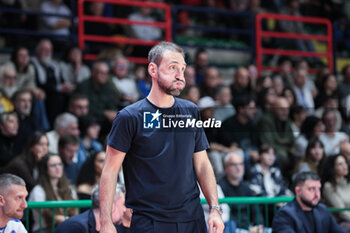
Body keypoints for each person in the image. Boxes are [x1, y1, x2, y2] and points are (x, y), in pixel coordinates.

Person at [99, 42, 224, 233]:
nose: (180, 75)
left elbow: (202, 164)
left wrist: (215, 209)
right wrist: (106, 221)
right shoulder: (129, 117)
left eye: (182, 69)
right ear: (153, 69)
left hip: (193, 218)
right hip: (150, 221)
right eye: (173, 67)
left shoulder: (191, 111)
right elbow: (109, 170)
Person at [272, 171, 346, 233]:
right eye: (312, 189)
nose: (317, 194)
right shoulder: (285, 214)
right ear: (298, 191)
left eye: (318, 189)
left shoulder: (322, 210)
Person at [28, 153, 77, 233]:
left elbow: (75, 211)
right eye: (53, 165)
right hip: (45, 230)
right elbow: (49, 216)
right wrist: (71, 221)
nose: (58, 168)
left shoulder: (69, 188)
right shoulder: (38, 190)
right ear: (45, 169)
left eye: (60, 164)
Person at [218, 152, 264, 232]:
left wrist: (259, 225)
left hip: (250, 227)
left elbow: (255, 209)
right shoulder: (219, 187)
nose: (238, 168)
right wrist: (248, 228)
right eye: (234, 164)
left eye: (241, 164)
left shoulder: (246, 187)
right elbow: (226, 214)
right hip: (232, 228)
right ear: (225, 167)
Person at [54, 185, 129, 233]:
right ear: (111, 206)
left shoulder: (116, 228)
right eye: (123, 204)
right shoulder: (75, 227)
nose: (125, 209)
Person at [322, 154, 350, 232]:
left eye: (345, 163)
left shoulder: (348, 183)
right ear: (333, 168)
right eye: (340, 164)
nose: (345, 166)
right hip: (341, 223)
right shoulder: (329, 186)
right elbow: (342, 211)